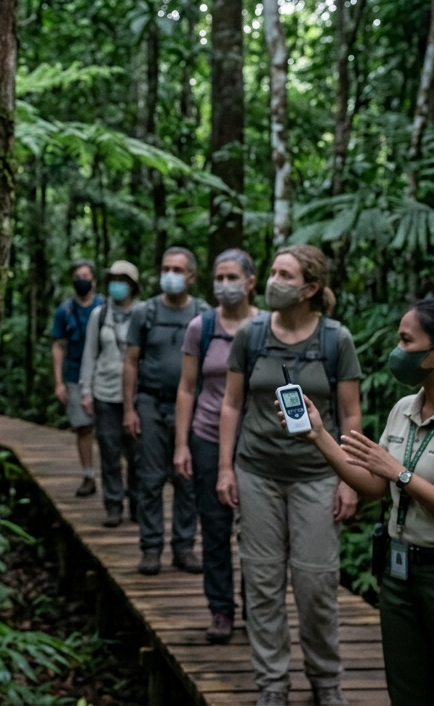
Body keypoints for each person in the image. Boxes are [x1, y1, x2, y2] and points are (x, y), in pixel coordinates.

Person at [290, 298, 434, 706]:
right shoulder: (404, 409)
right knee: (407, 695)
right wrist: (319, 435)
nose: (397, 350)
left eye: (406, 340)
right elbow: (375, 488)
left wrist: (401, 474)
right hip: (401, 575)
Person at [216, 244, 361, 706]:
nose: (273, 280)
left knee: (316, 582)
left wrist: (348, 477)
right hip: (256, 471)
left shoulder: (336, 340)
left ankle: (326, 682)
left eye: (285, 274)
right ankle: (272, 684)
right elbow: (232, 404)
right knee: (261, 583)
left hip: (318, 475)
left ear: (310, 289)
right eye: (273, 270)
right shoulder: (252, 335)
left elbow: (350, 413)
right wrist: (225, 468)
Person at [173, 249, 259, 644]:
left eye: (231, 277)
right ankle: (221, 610)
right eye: (218, 277)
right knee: (215, 527)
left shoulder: (267, 328)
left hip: (258, 443)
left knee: (259, 531)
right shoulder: (200, 327)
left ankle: (255, 608)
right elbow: (188, 387)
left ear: (250, 282)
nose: (224, 285)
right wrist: (182, 444)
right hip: (207, 437)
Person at [123, 247, 208, 576]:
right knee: (150, 478)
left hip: (192, 406)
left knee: (187, 478)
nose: (169, 274)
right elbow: (131, 362)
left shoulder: (202, 314)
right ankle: (151, 547)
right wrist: (129, 408)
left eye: (177, 269)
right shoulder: (144, 312)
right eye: (165, 267)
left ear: (190, 277)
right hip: (150, 403)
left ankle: (184, 547)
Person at [79, 260, 142, 528]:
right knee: (109, 451)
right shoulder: (99, 314)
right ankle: (113, 505)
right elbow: (90, 353)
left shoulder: (144, 312)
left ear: (132, 284)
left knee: (138, 453)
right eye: (113, 278)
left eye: (122, 279)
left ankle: (138, 505)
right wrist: (86, 390)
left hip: (138, 396)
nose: (117, 284)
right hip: (105, 393)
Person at [52, 259, 104, 496]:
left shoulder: (105, 307)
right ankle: (88, 476)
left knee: (110, 430)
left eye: (85, 276)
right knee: (83, 427)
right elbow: (58, 345)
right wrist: (59, 382)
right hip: (74, 375)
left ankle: (116, 479)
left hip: (103, 376)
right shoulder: (65, 311)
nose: (81, 280)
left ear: (93, 279)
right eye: (77, 277)